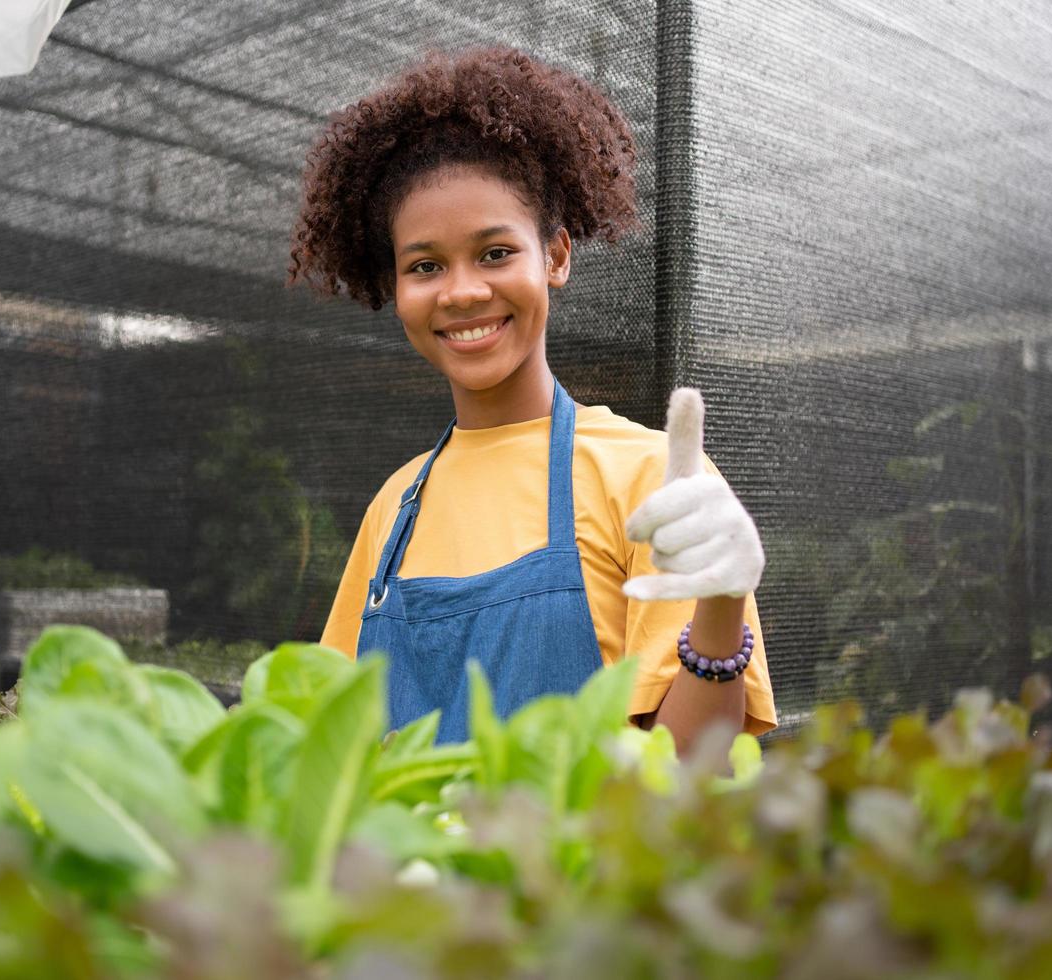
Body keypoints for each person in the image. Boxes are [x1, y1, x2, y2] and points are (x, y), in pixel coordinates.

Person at [287, 46, 776, 752]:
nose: (461, 291)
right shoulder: (394, 508)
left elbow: (690, 768)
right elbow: (329, 741)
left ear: (555, 256)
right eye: (425, 266)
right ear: (395, 288)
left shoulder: (645, 480)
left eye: (495, 253)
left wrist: (723, 602)